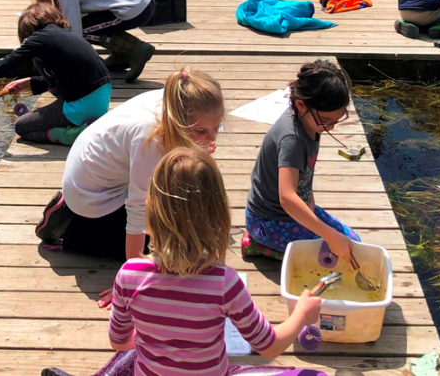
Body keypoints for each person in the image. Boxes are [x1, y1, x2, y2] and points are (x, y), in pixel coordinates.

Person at [104, 147, 326, 376]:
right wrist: (301, 314)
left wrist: (159, 340)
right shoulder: (224, 283)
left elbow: (119, 342)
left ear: (152, 209)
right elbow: (270, 346)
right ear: (217, 215)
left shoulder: (129, 275)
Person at [35, 69, 225, 301]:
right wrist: (131, 280)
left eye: (216, 127)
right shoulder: (152, 138)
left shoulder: (179, 98)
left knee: (183, 224)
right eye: (202, 131)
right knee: (169, 249)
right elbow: (139, 207)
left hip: (103, 171)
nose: (212, 137)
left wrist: (197, 143)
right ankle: (69, 229)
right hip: (92, 197)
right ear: (179, 120)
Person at [244, 60, 361, 261]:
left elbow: (304, 177)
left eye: (336, 120)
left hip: (296, 211)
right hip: (267, 222)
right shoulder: (292, 139)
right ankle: (256, 244)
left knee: (352, 243)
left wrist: (312, 209)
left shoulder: (310, 119)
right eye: (326, 121)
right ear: (300, 104)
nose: (330, 127)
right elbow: (287, 197)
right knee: (328, 256)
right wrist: (329, 235)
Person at [0, 3, 111, 146]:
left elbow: (7, 62)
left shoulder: (40, 38)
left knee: (22, 126)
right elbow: (64, 78)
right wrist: (28, 82)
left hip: (81, 105)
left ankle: (71, 135)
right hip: (101, 99)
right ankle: (82, 125)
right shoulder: (66, 36)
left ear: (27, 31)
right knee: (38, 119)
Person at [31, 0, 155, 83]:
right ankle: (121, 55)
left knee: (83, 32)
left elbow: (75, 33)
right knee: (94, 24)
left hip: (134, 7)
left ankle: (135, 49)